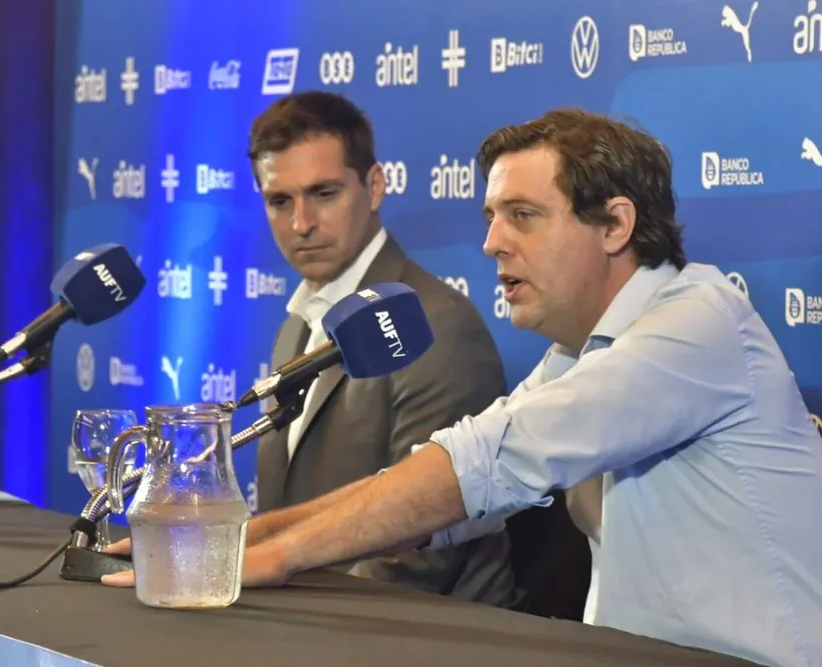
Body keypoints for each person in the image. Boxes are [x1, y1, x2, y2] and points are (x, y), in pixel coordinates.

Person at [232, 109, 822, 666]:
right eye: (491, 217)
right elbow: (469, 470)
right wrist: (254, 538)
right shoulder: (582, 347)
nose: (491, 243)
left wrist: (282, 555)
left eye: (523, 217)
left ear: (615, 226)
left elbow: (493, 461)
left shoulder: (698, 324)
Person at [105, 91, 533, 609]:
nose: (300, 224)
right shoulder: (301, 318)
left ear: (374, 187)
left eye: (324, 194)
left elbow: (423, 550)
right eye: (279, 201)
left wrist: (261, 599)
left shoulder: (435, 324)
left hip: (422, 635)